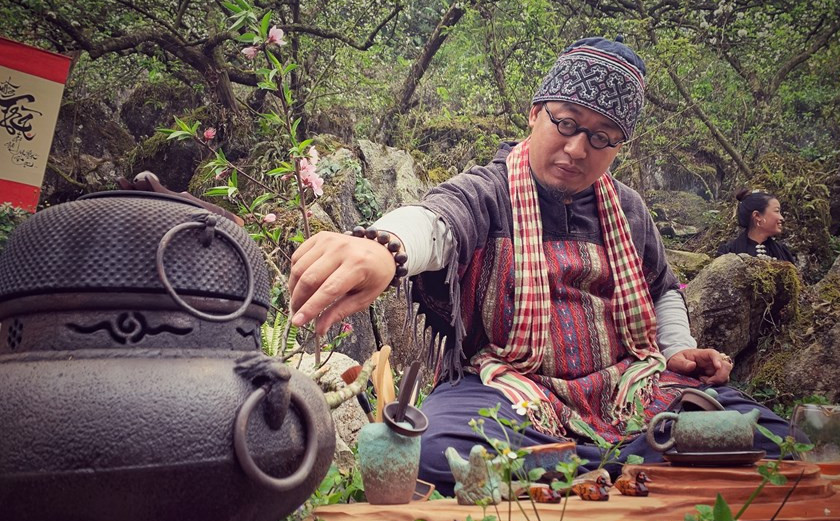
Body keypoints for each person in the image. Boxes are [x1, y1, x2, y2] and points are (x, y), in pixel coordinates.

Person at [288, 37, 791, 494]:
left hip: (633, 386)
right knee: (436, 450)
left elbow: (662, 289)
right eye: (566, 123)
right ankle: (634, 465)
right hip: (505, 386)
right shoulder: (489, 191)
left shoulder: (629, 210)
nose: (577, 149)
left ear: (619, 146)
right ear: (535, 113)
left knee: (775, 437)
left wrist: (677, 349)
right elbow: (438, 221)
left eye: (602, 137)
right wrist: (383, 247)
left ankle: (573, 468)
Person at [717, 188, 796, 263]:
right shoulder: (728, 252)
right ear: (757, 216)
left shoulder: (783, 252)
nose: (781, 218)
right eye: (776, 211)